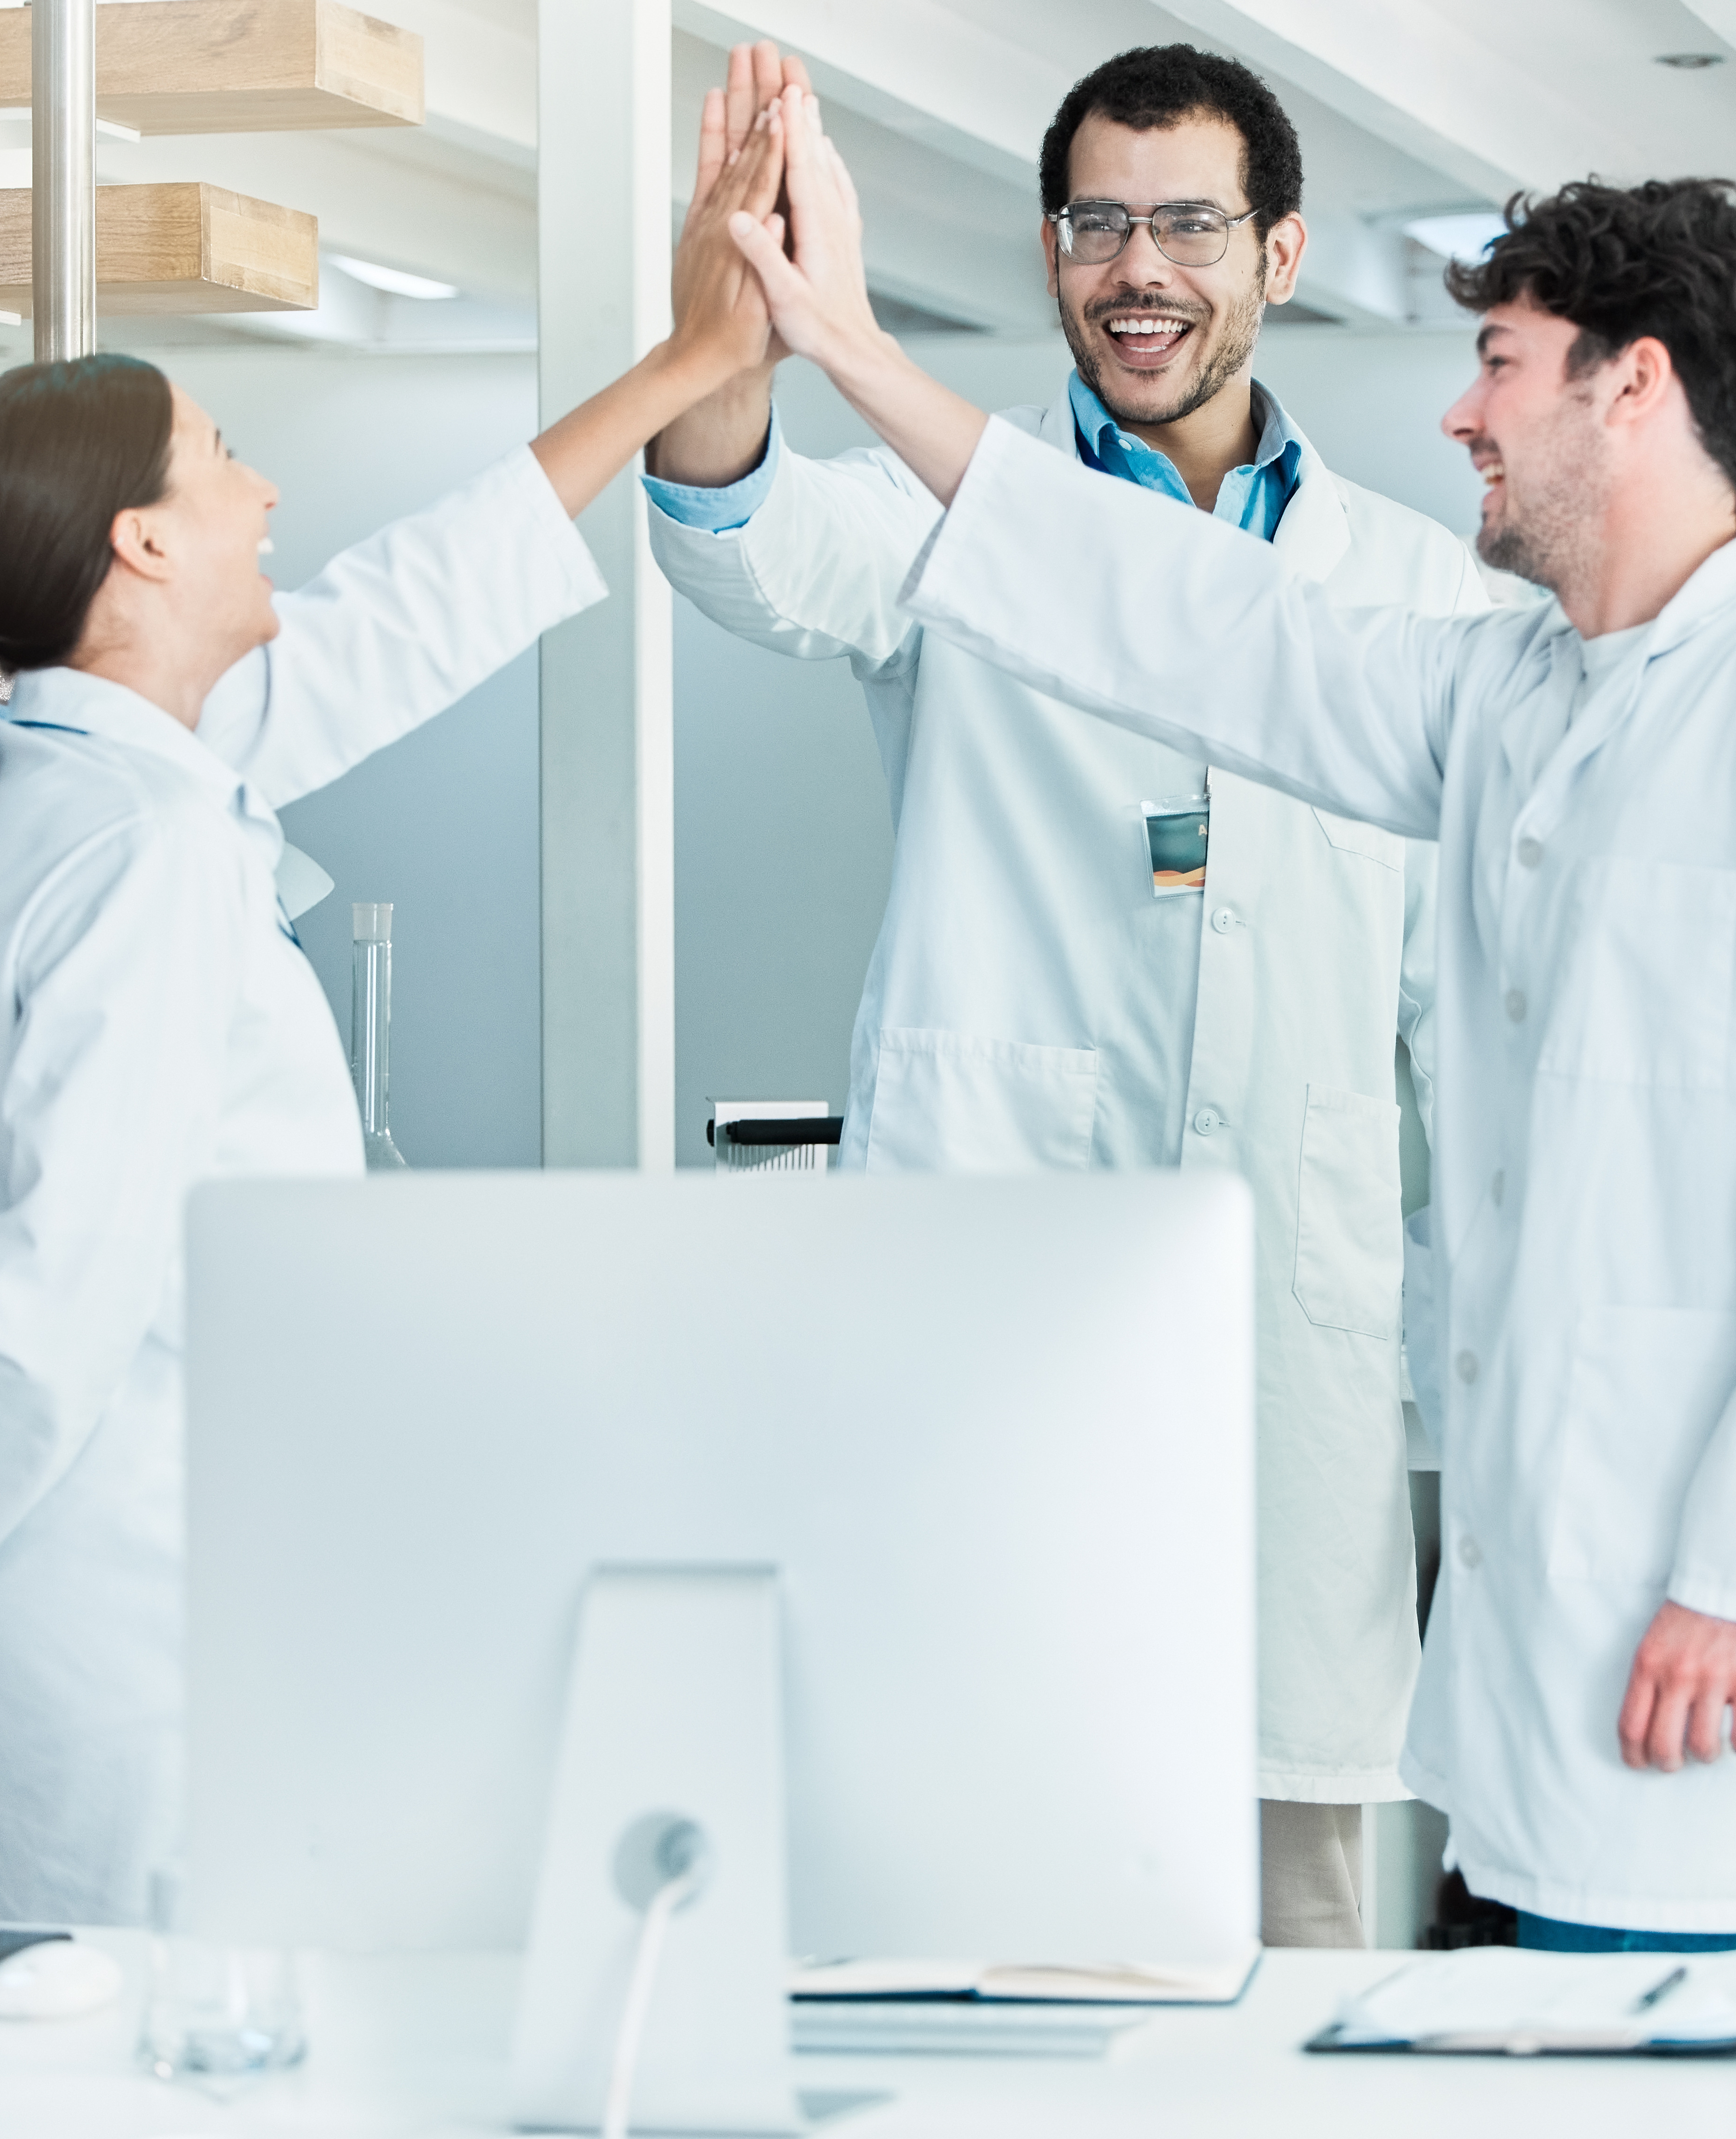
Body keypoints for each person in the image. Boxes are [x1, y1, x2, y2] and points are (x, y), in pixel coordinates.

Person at [720, 98, 1736, 1947]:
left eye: (1500, 364)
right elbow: (1177, 618)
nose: (1462, 412)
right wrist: (840, 344)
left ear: (1635, 389)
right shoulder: (1506, 693)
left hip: (1695, 1654)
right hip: (1516, 1696)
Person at [0, 104, 798, 1928]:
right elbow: (72, 1268)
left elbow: (413, 611)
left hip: (98, 1583)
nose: (267, 492)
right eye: (225, 460)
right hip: (127, 1605)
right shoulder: (135, 843)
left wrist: (684, 365)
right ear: (144, 547)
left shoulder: (97, 777)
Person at [644, 43, 1502, 1948]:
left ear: (1280, 255)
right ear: (1050, 253)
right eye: (1100, 223)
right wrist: (734, 336)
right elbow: (745, 548)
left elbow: (1472, 1027)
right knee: (984, 1889)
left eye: (1190, 223)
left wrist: (1466, 1315)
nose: (1141, 266)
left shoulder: (1422, 599)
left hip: (1297, 1338)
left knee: (1299, 1936)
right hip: (999, 1304)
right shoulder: (957, 517)